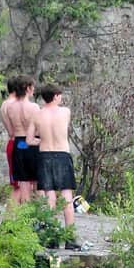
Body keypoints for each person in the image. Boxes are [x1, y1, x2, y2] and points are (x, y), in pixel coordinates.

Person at [26, 83, 80, 250]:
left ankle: (51, 236)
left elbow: (29, 140)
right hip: (62, 155)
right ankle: (70, 238)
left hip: (44, 155)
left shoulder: (37, 115)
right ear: (56, 96)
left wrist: (42, 140)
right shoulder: (65, 112)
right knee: (66, 197)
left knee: (49, 197)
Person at [5, 75, 39, 203]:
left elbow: (11, 131)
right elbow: (38, 129)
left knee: (23, 182)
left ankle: (24, 215)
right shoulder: (34, 107)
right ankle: (37, 215)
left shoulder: (10, 107)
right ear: (27, 88)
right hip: (32, 144)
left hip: (18, 143)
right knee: (36, 182)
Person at [0, 76, 21, 204]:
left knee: (17, 185)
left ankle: (12, 219)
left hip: (11, 143)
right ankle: (10, 219)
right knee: (20, 186)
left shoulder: (4, 104)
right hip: (18, 144)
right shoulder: (14, 104)